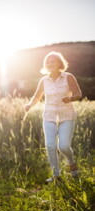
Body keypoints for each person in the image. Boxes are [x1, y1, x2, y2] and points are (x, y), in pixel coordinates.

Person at [25, 51, 82, 183]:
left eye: (53, 61)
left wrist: (71, 98)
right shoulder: (44, 80)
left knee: (63, 146)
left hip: (66, 115)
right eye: (48, 62)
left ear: (59, 63)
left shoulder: (68, 77)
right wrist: (29, 104)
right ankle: (56, 176)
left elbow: (79, 93)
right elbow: (37, 96)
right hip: (49, 116)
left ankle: (72, 163)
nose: (50, 64)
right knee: (50, 145)